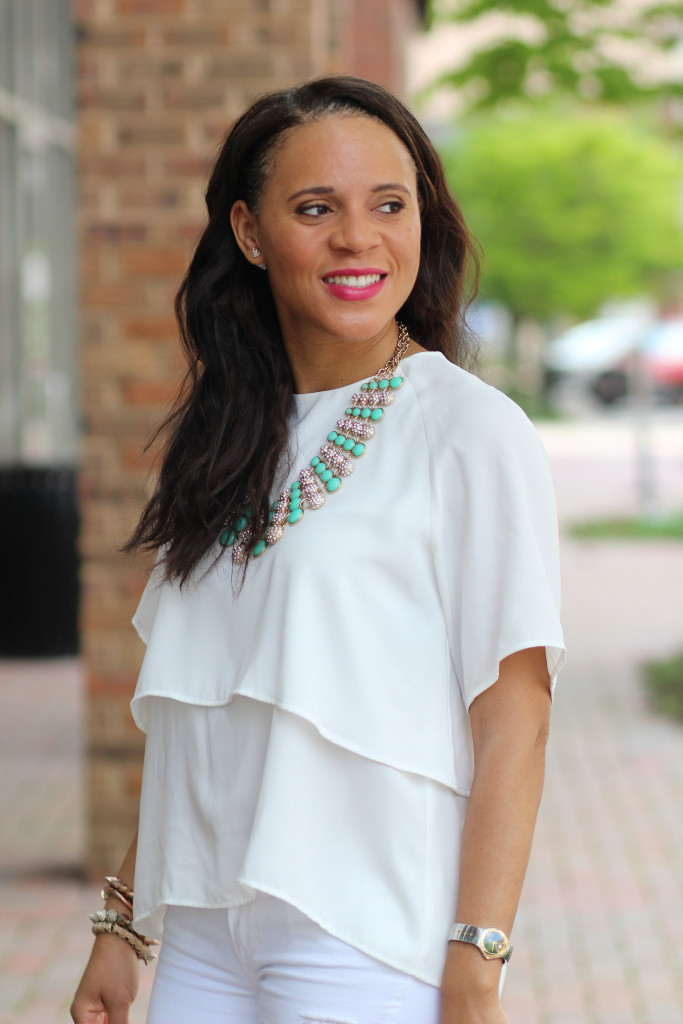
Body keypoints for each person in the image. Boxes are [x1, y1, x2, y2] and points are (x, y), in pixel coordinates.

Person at [71, 75, 565, 1024]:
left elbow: (516, 719)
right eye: (315, 208)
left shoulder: (467, 430)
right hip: (207, 938)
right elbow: (202, 710)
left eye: (389, 204)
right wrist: (120, 926)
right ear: (250, 234)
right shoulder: (223, 437)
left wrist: (477, 963)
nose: (357, 239)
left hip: (366, 940)